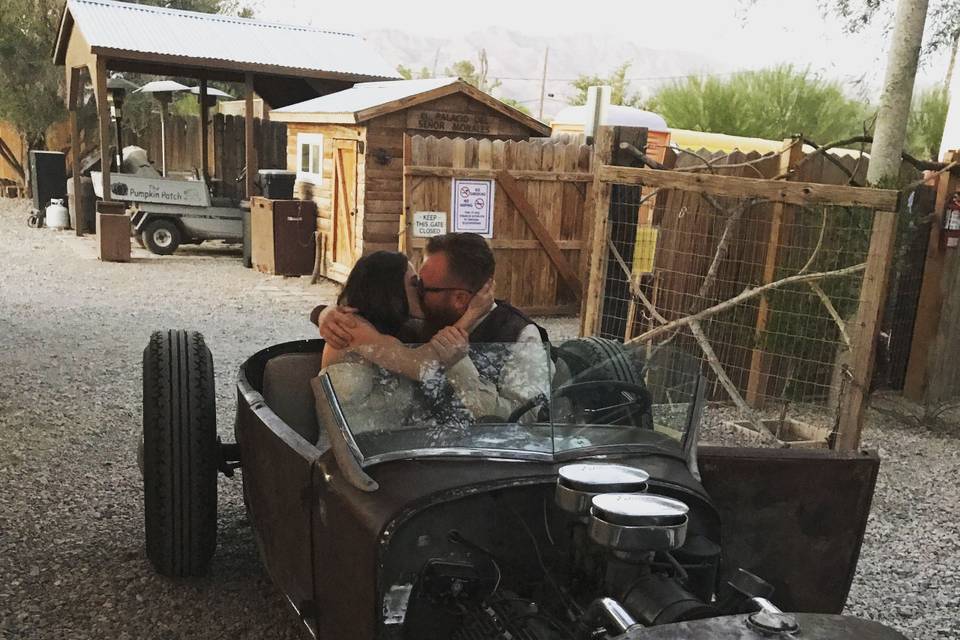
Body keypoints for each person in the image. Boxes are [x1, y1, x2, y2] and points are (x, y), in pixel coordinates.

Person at [317, 233, 550, 420]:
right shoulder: (405, 324)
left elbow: (527, 419)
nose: (418, 294)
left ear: (459, 298)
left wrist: (459, 363)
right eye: (415, 284)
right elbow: (421, 363)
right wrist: (322, 313)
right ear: (391, 295)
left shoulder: (518, 335)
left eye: (424, 288)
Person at [318, 250, 493, 431]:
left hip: (388, 449)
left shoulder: (399, 332)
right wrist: (472, 314)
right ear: (390, 290)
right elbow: (421, 367)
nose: (420, 292)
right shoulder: (350, 325)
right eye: (414, 284)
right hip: (344, 452)